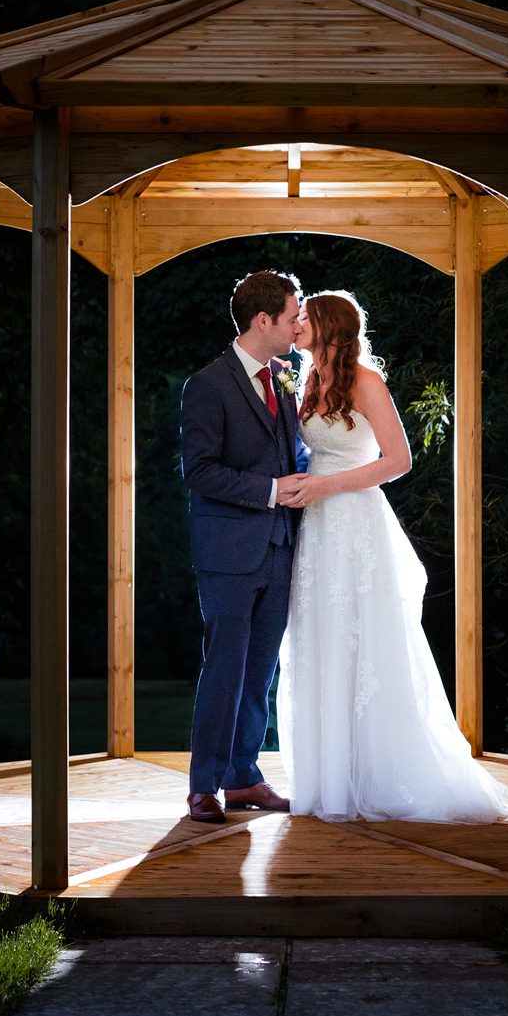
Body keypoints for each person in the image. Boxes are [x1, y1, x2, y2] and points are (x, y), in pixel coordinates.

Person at [275, 290, 508, 824]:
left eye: (305, 318)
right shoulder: (309, 382)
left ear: (330, 325)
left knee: (364, 640)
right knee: (320, 639)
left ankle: (379, 772)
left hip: (355, 523)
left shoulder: (366, 381)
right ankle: (327, 777)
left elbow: (398, 460)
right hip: (315, 529)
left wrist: (326, 486)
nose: (296, 325)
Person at [177, 270, 311, 823]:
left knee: (260, 672)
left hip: (281, 547)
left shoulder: (285, 376)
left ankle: (243, 778)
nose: (299, 321)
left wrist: (315, 479)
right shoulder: (206, 385)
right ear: (264, 320)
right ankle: (203, 785)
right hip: (230, 553)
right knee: (225, 668)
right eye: (293, 313)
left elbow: (293, 456)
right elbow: (200, 472)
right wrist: (271, 491)